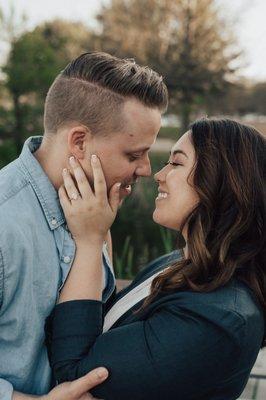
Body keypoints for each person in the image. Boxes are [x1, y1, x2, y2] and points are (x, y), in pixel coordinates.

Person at [45, 118, 265, 400]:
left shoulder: (217, 320)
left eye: (176, 163)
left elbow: (74, 375)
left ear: (219, 180)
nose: (158, 174)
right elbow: (105, 325)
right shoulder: (178, 263)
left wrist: (89, 242)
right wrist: (99, 229)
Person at [0, 52, 168, 399]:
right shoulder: (5, 224)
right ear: (79, 142)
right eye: (133, 154)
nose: (146, 170)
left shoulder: (95, 209)